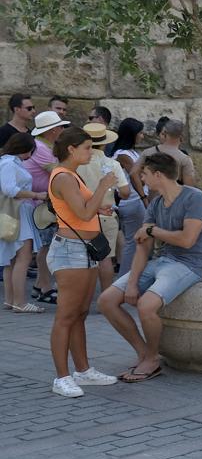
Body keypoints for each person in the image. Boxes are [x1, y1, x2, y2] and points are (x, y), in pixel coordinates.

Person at [98, 152, 202, 384]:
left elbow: (187, 240)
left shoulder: (195, 198)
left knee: (146, 305)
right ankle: (145, 354)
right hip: (160, 262)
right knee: (106, 300)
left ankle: (151, 359)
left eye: (145, 174)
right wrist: (131, 283)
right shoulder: (156, 203)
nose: (141, 178)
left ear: (159, 175)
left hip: (188, 264)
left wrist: (153, 231)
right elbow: (142, 246)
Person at [46, 126, 119, 397]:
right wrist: (102, 187)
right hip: (71, 250)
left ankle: (83, 370)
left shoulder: (70, 175)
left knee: (80, 313)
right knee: (66, 316)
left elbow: (82, 210)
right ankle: (61, 377)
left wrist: (99, 205)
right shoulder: (64, 176)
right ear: (71, 149)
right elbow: (84, 213)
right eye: (87, 147)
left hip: (83, 249)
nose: (91, 152)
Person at [78, 123, 130, 293]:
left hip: (81, 214)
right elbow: (125, 192)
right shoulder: (112, 164)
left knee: (81, 258)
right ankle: (106, 296)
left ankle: (82, 295)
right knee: (106, 258)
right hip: (106, 214)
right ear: (105, 143)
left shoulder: (77, 163)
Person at [28, 110, 69, 304]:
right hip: (41, 205)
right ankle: (45, 287)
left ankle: (39, 285)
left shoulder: (43, 145)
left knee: (47, 245)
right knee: (46, 247)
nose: (62, 129)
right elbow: (59, 171)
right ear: (52, 131)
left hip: (42, 203)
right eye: (60, 126)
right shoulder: (41, 148)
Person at [1, 133, 45, 313]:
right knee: (22, 258)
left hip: (15, 212)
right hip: (18, 212)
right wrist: (36, 195)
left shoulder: (8, 162)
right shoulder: (9, 163)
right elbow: (10, 189)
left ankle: (11, 300)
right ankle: (19, 302)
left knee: (12, 259)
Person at [109, 119, 147, 275]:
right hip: (132, 201)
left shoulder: (132, 152)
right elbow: (134, 175)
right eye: (140, 133)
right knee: (133, 241)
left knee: (135, 240)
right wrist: (144, 197)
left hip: (135, 200)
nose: (142, 136)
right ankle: (125, 277)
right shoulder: (123, 154)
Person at [137, 119, 195, 187]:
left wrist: (142, 195)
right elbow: (189, 187)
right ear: (181, 137)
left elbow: (135, 174)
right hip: (174, 195)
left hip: (154, 196)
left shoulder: (147, 153)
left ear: (165, 134)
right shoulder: (184, 159)